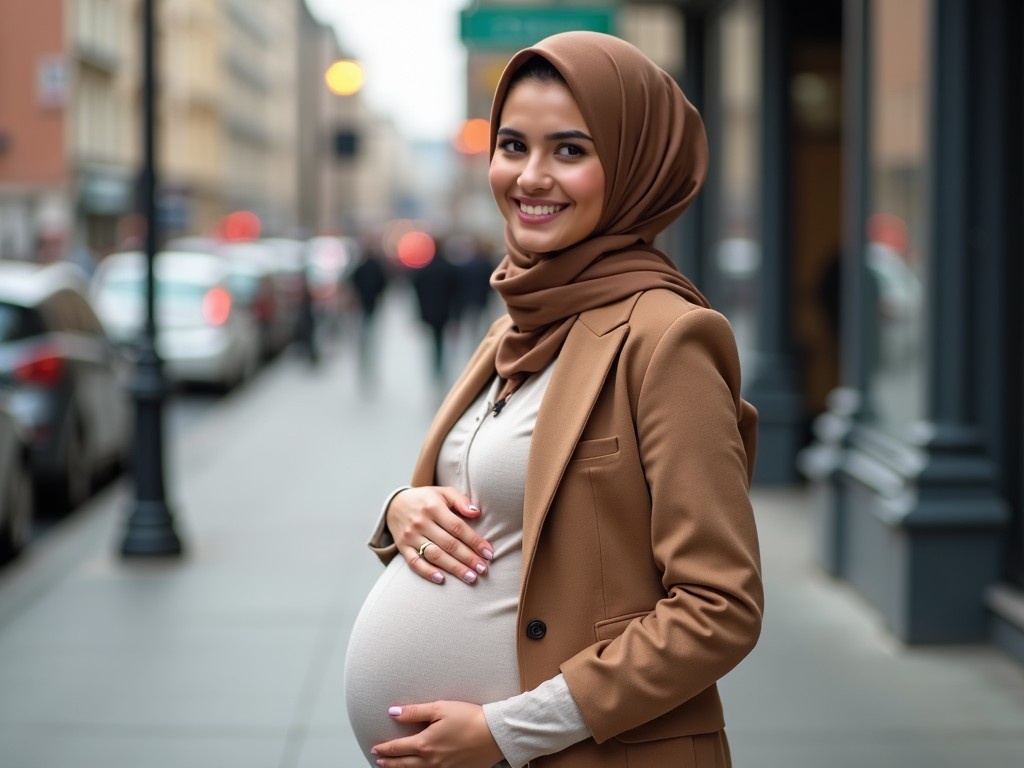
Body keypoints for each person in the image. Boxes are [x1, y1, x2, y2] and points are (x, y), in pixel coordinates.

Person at [343, 31, 762, 768]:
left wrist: (510, 731)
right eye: (513, 145)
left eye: (570, 150)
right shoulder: (517, 321)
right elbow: (495, 500)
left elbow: (719, 608)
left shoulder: (669, 338)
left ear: (634, 167)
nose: (530, 176)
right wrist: (402, 508)